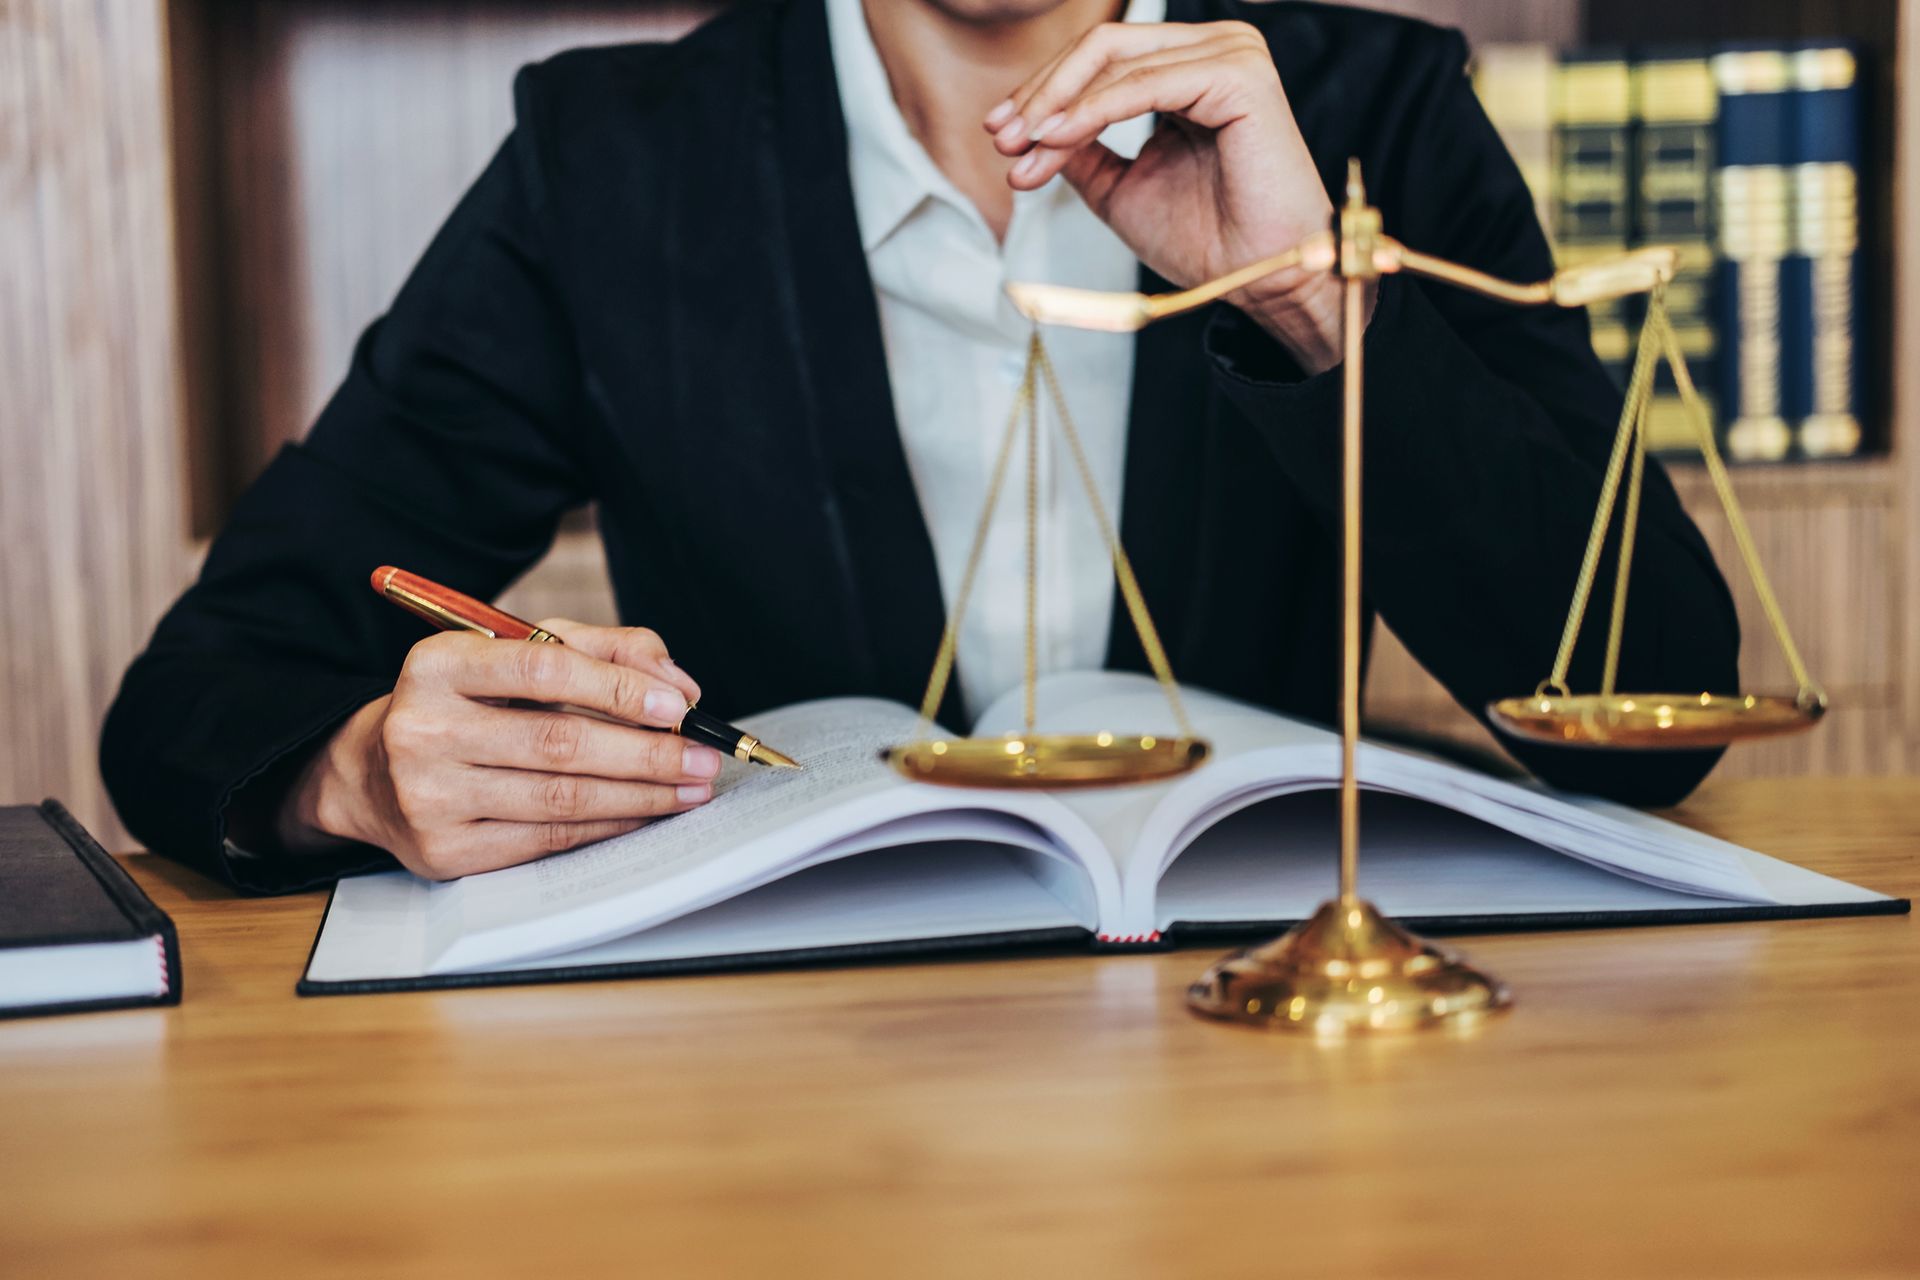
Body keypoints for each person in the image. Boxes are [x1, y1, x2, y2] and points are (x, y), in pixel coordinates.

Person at [102, 0, 1741, 894]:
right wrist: (354, 779)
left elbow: (1652, 701)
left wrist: (1318, 305)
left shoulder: (1376, 107)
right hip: (786, 1077)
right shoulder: (609, 160)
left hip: (1265, 1033)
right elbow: (199, 696)